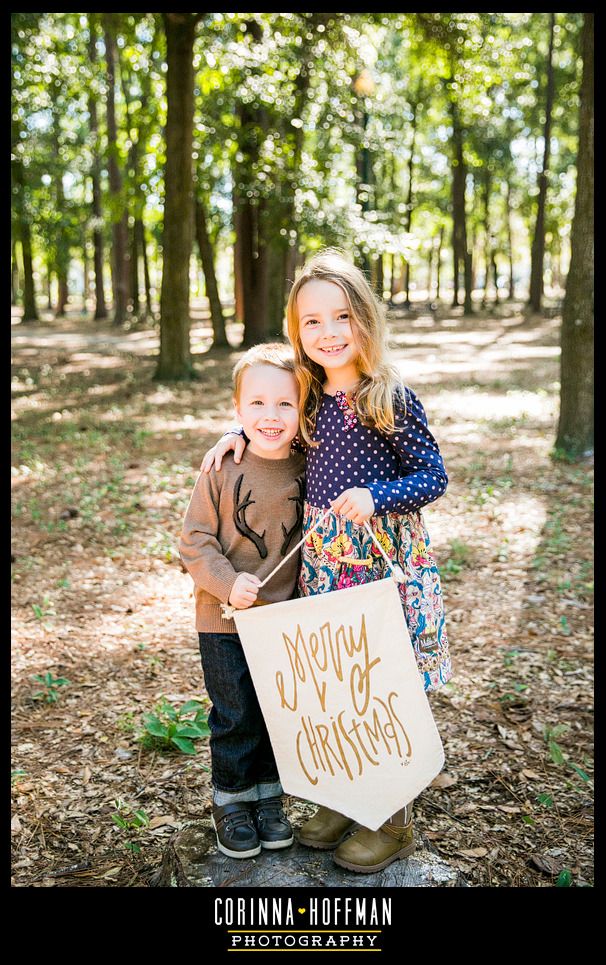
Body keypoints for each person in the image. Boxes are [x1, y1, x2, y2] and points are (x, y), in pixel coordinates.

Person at [200, 249, 452, 873]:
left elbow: (433, 475)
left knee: (383, 682)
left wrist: (379, 496)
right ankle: (347, 798)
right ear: (296, 332)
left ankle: (391, 819)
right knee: (342, 686)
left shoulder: (389, 397)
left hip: (384, 564)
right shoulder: (306, 396)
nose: (329, 332)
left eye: (342, 316)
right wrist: (236, 436)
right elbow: (270, 420)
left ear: (365, 318)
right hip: (327, 566)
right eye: (311, 322)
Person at [179, 343, 305, 860]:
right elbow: (194, 541)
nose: (270, 416)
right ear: (237, 409)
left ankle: (269, 800)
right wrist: (228, 583)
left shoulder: (310, 464)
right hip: (224, 619)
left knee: (277, 711)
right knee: (233, 715)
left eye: (285, 404)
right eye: (256, 404)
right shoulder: (221, 468)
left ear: (304, 410)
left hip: (285, 620)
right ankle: (231, 802)